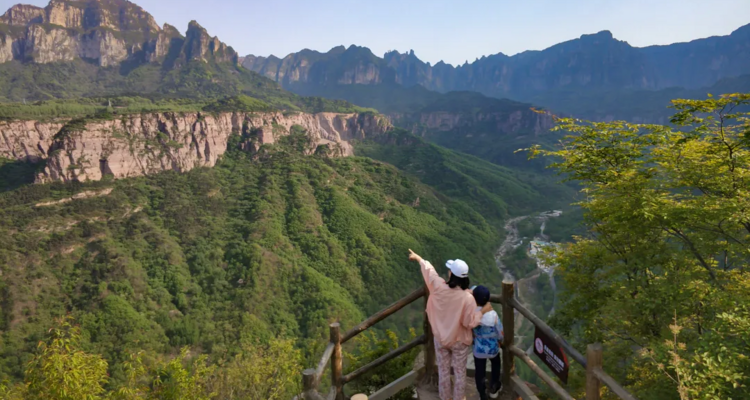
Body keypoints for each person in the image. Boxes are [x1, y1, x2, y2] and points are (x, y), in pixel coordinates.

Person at [409, 249, 493, 400]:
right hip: (459, 341)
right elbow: (469, 323)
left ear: (451, 275)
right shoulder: (467, 298)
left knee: (443, 371)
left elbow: (431, 272)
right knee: (460, 373)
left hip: (441, 338)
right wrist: (482, 312)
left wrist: (419, 258)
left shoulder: (439, 287)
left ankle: (445, 397)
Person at [471, 285, 503, 400]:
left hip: (478, 350)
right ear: (488, 299)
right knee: (496, 364)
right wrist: (500, 340)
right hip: (492, 348)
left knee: (479, 371)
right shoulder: (493, 314)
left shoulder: (473, 314)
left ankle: (482, 394)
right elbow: (499, 330)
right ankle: (494, 387)